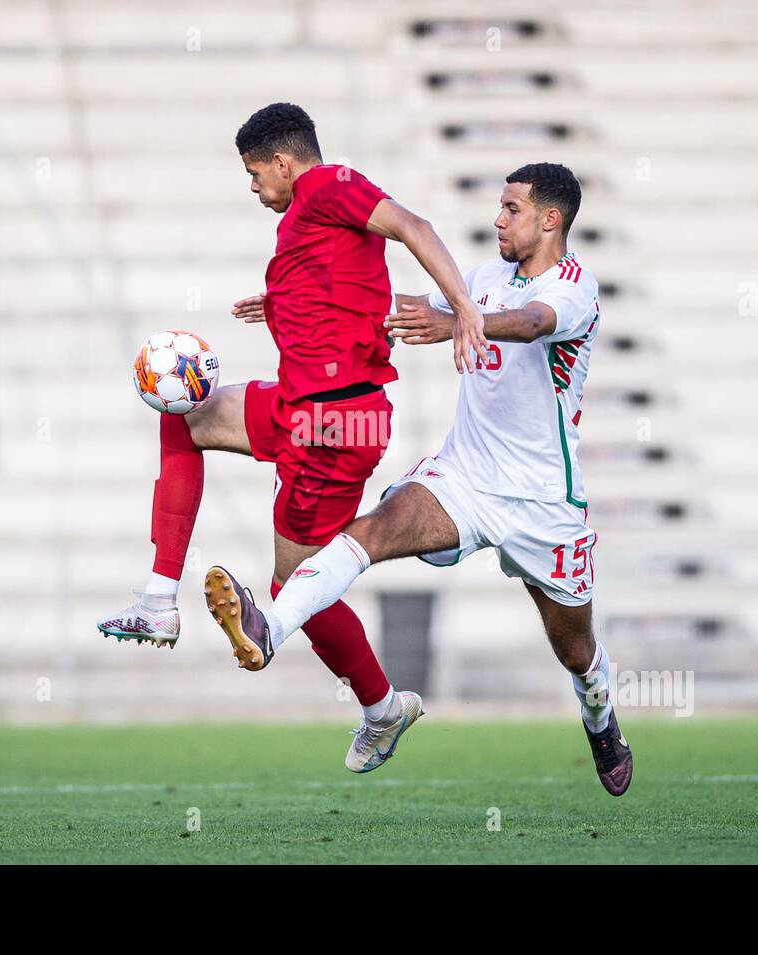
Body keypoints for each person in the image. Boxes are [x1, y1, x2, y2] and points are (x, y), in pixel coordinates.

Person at [203, 163, 632, 794]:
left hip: (544, 505)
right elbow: (393, 311)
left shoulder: (575, 288)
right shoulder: (482, 280)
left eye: (512, 209)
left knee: (575, 651)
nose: (498, 219)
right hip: (463, 480)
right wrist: (296, 306)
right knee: (370, 532)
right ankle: (268, 629)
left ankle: (600, 718)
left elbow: (537, 323)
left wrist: (466, 321)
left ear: (551, 220)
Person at [98, 102, 487, 774]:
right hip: (305, 408)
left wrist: (465, 310)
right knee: (184, 417)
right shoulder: (311, 218)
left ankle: (382, 707)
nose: (254, 188)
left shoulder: (331, 185)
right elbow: (339, 290)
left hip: (333, 425)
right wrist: (274, 302)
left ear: (283, 161)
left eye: (254, 174)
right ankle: (160, 598)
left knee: (296, 587)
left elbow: (412, 225)